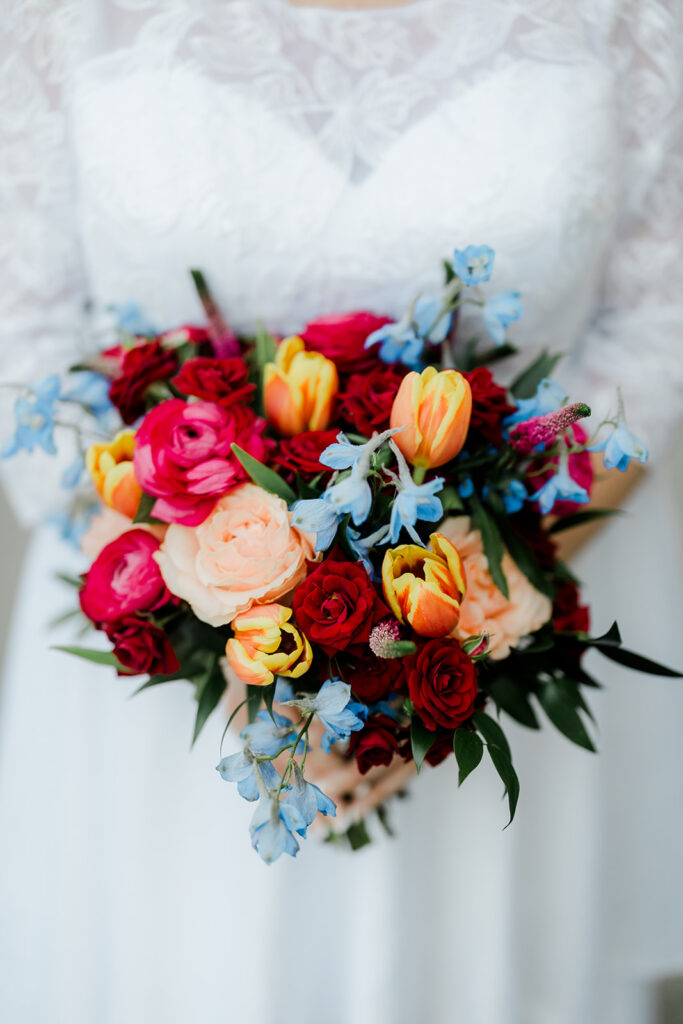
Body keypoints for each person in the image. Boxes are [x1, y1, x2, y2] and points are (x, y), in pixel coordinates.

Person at [1, 2, 682, 1022]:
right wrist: (215, 616)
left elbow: (652, 325)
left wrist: (453, 626)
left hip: (507, 633)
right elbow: (27, 328)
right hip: (172, 703)